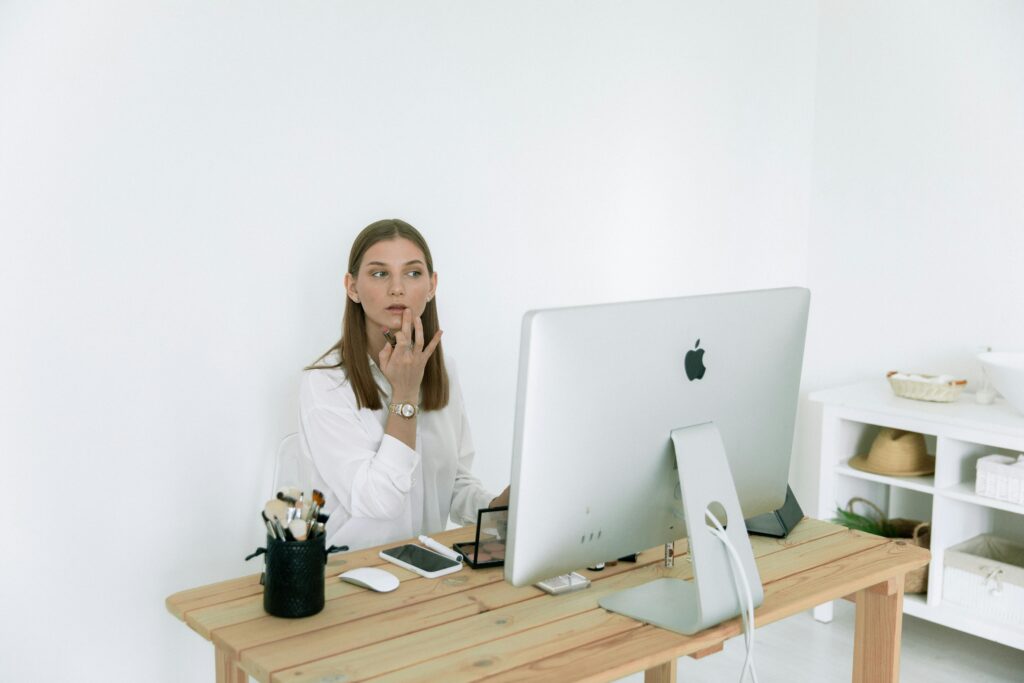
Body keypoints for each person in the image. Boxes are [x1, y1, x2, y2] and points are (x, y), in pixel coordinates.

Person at [299, 218, 509, 551]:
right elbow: (380, 501)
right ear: (352, 287)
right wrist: (406, 395)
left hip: (422, 571)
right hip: (351, 575)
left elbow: (449, 482)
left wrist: (498, 509)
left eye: (412, 273)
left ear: (432, 285)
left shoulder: (445, 371)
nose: (397, 288)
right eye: (379, 274)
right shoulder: (326, 383)